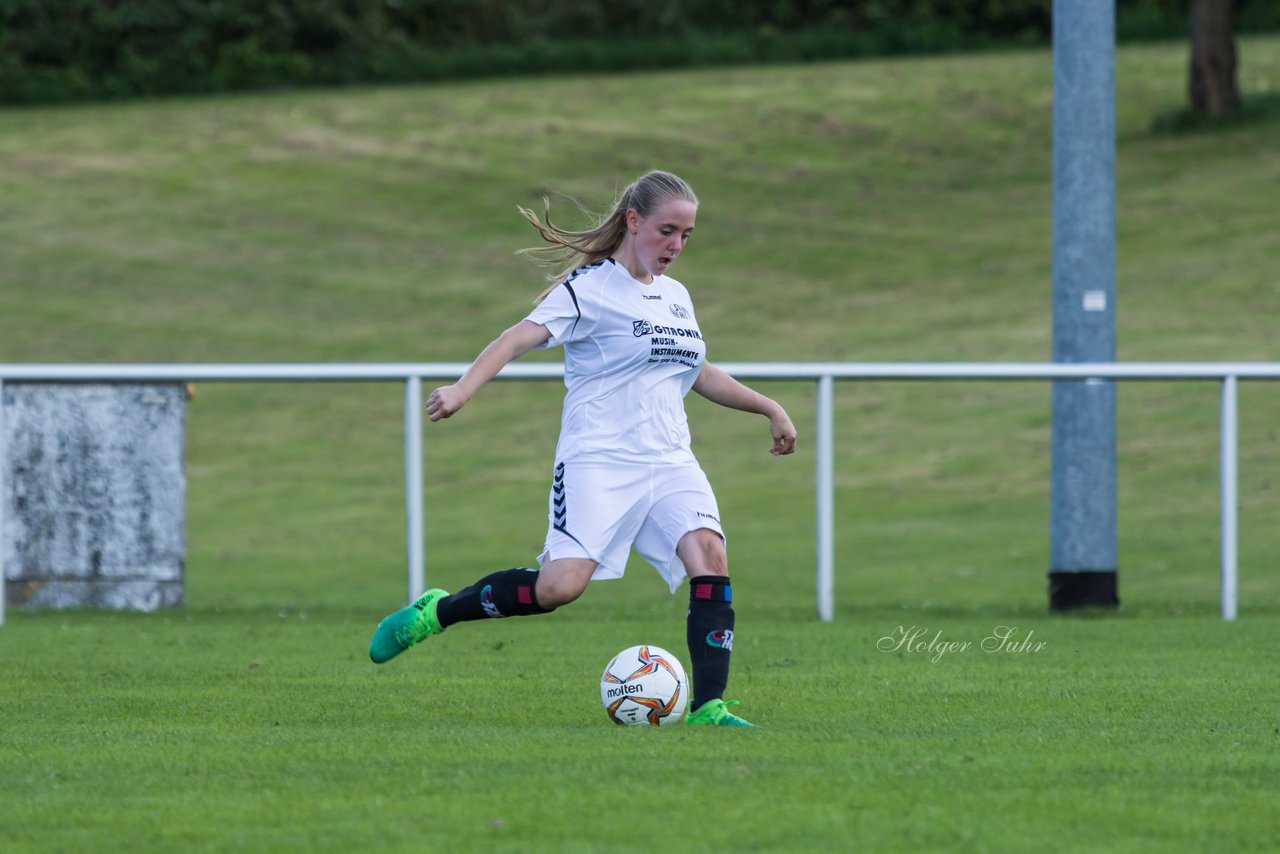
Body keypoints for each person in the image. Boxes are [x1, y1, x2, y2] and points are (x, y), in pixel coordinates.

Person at [368, 170, 797, 727]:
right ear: (634, 220)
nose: (676, 246)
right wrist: (462, 389)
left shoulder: (675, 298)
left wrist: (769, 407)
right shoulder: (590, 288)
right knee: (558, 587)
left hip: (669, 460)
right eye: (668, 230)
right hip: (598, 460)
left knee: (710, 557)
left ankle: (708, 707)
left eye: (687, 235)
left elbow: (696, 372)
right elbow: (516, 337)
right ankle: (439, 612)